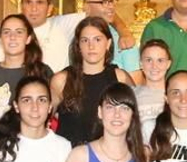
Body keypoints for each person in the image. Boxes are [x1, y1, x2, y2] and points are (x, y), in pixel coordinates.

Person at [52, 16, 136, 145]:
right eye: (85, 40)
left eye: (97, 39)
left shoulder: (120, 78)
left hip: (109, 158)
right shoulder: (61, 80)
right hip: (69, 158)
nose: (91, 46)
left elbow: (136, 117)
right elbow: (43, 117)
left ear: (108, 44)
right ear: (78, 45)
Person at [51, 0, 139, 73]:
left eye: (112, 1)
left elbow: (135, 80)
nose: (111, 7)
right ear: (87, 7)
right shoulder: (70, 27)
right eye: (104, 2)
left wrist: (123, 31)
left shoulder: (123, 39)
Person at [0, 12, 48, 123]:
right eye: (6, 32)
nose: (12, 37)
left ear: (28, 38)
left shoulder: (42, 71)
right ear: (0, 39)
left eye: (19, 32)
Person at [20, 0, 71, 73]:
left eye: (39, 2)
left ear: (49, 9)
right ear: (21, 6)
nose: (34, 8)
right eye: (28, 2)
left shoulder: (64, 30)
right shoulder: (9, 34)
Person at [134, 38, 172, 136]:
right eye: (149, 60)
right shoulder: (132, 95)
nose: (154, 66)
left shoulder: (176, 95)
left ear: (168, 64)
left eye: (160, 60)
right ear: (141, 63)